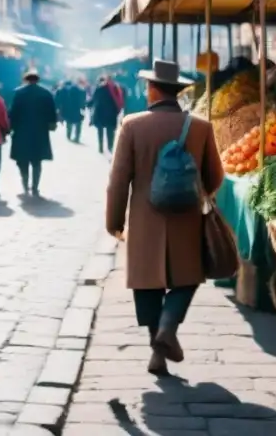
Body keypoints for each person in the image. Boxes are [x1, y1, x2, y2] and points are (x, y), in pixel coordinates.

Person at [106, 59, 225, 376]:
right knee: (187, 277)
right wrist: (195, 192)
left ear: (153, 89)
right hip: (186, 217)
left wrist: (114, 222)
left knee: (146, 284)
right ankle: (168, 328)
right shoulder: (200, 127)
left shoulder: (132, 125)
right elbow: (215, 177)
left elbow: (118, 182)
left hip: (145, 218)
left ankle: (157, 348)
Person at [9, 69, 58, 195]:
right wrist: (52, 124)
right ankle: (35, 186)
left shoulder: (18, 93)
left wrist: (10, 127)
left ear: (26, 79)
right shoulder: (46, 93)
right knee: (37, 160)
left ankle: (25, 183)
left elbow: (13, 112)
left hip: (21, 131)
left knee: (22, 159)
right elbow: (52, 112)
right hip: (39, 131)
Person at [89, 74, 122, 154]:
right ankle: (110, 146)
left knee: (100, 131)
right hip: (111, 113)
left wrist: (88, 105)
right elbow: (120, 100)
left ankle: (100, 147)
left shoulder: (100, 88)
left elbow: (94, 99)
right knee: (110, 131)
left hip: (100, 112)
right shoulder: (116, 88)